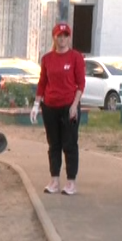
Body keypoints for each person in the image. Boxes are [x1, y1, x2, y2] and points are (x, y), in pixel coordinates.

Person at [31, 21, 85, 196]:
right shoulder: (47, 59)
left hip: (69, 106)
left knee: (69, 144)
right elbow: (42, 83)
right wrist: (36, 104)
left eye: (65, 36)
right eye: (59, 36)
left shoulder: (76, 57)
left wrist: (75, 105)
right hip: (50, 106)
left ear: (69, 38)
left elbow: (80, 83)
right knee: (54, 144)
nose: (62, 39)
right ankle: (54, 179)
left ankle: (71, 181)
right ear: (54, 38)